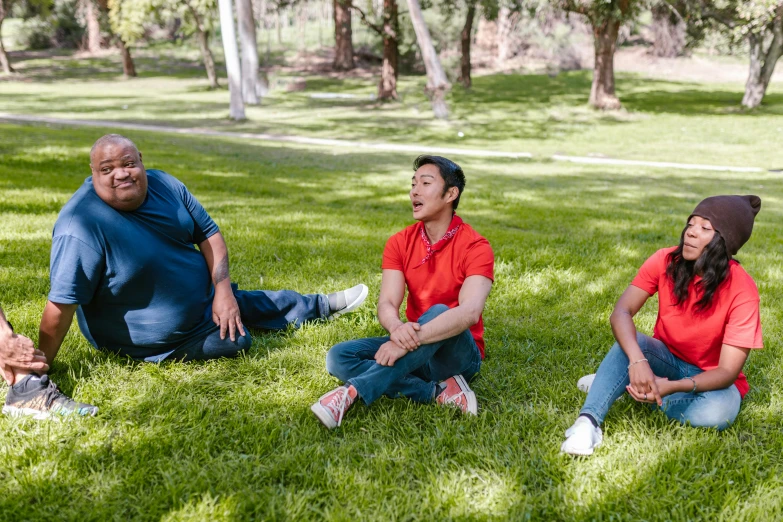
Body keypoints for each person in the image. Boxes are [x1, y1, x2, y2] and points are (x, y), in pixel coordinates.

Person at [4, 134, 367, 419]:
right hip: (155, 338)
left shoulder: (165, 185)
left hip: (205, 297)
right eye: (108, 169)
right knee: (237, 341)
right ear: (94, 172)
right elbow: (61, 304)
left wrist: (222, 290)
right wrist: (41, 365)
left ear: (142, 163)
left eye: (129, 164)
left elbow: (210, 234)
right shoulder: (80, 225)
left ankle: (318, 305)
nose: (121, 174)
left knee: (239, 303)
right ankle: (227, 321)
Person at [561, 195, 763, 456]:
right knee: (632, 345)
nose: (691, 232)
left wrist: (673, 386)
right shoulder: (665, 260)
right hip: (664, 357)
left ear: (725, 242)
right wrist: (638, 361)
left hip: (711, 380)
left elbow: (726, 371)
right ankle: (587, 422)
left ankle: (621, 385)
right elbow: (622, 312)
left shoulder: (742, 289)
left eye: (705, 228)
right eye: (691, 223)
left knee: (719, 412)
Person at [310, 155, 494, 429]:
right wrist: (396, 329)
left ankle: (350, 393)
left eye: (426, 183)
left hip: (456, 355)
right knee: (339, 356)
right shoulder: (399, 242)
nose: (414, 191)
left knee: (441, 312)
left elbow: (468, 313)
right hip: (410, 343)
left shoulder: (477, 247)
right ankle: (437, 393)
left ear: (451, 194)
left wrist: (402, 343)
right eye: (413, 184)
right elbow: (386, 302)